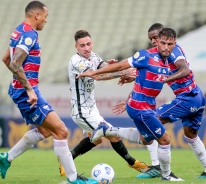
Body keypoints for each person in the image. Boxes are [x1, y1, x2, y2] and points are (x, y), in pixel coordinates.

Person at [0, 2, 97, 184]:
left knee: (45, 131)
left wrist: (20, 81)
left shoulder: (18, 30)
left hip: (19, 89)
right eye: (45, 16)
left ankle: (7, 157)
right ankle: (73, 179)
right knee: (61, 131)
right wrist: (28, 88)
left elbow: (6, 59)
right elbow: (14, 63)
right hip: (25, 91)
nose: (46, 20)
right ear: (36, 15)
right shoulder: (29, 34)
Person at [112, 23, 206, 179]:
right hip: (195, 96)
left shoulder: (173, 51)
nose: (154, 42)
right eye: (151, 39)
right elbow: (148, 78)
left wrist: (163, 79)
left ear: (164, 37)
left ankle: (155, 166)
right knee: (191, 136)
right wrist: (132, 82)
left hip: (187, 98)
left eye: (156, 38)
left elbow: (184, 70)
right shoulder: (159, 56)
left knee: (150, 121)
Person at [78, 28, 184, 181]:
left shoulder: (168, 59)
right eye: (162, 43)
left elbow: (146, 76)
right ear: (157, 42)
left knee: (146, 139)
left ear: (174, 44)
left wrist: (132, 79)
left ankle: (108, 130)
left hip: (146, 105)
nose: (166, 47)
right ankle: (166, 175)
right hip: (140, 107)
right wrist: (94, 73)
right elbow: (122, 66)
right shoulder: (145, 55)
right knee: (165, 139)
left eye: (170, 44)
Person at [58, 29, 150, 177]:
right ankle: (135, 163)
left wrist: (110, 64)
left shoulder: (92, 56)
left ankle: (66, 158)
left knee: (97, 140)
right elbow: (98, 76)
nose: (86, 48)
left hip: (92, 108)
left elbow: (102, 67)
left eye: (88, 44)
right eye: (82, 45)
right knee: (113, 135)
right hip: (81, 111)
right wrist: (122, 72)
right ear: (76, 47)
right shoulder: (76, 61)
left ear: (92, 43)